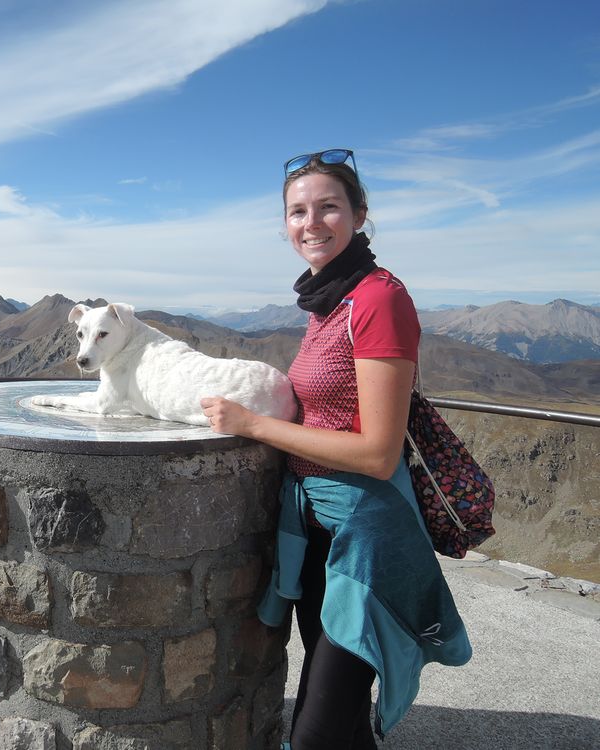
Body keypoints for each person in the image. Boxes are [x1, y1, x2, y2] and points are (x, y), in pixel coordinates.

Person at [200, 149, 471, 749]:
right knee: (345, 725)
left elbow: (376, 452)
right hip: (317, 528)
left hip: (366, 536)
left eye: (328, 207)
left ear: (360, 214)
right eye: (298, 211)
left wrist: (252, 424)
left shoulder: (378, 299)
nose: (311, 222)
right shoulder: (329, 301)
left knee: (317, 733)